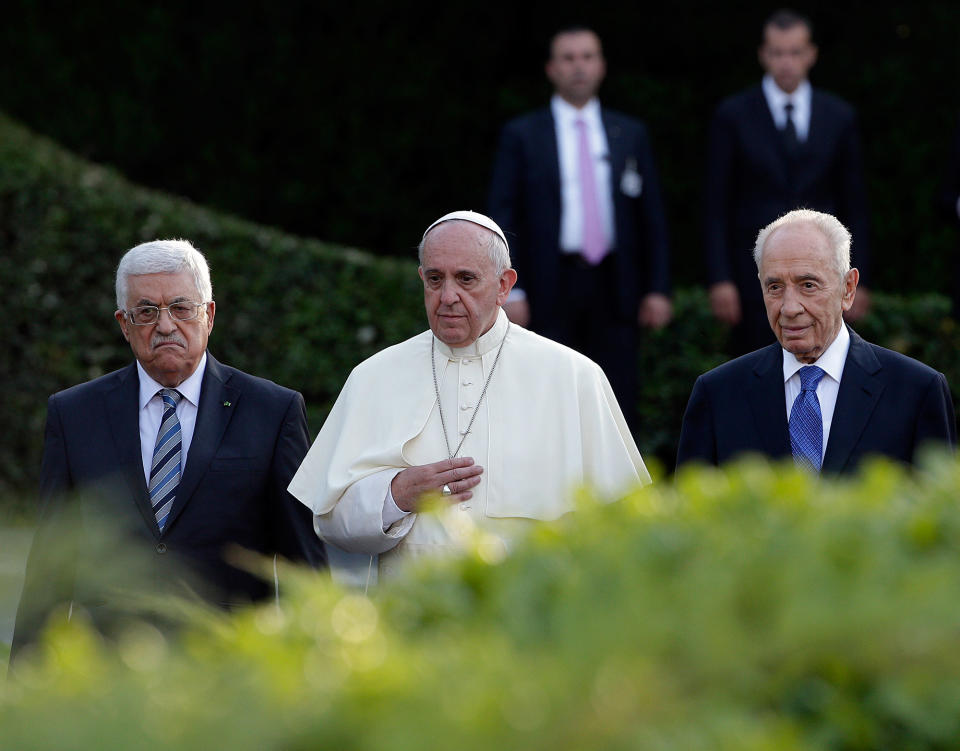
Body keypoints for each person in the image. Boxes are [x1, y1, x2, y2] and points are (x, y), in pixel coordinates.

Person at [289, 210, 649, 579]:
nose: (447, 296)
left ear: (504, 285)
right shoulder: (374, 376)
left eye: (465, 279)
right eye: (434, 279)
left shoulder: (574, 377)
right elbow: (329, 520)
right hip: (413, 617)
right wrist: (395, 496)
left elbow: (623, 523)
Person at [12, 240, 326, 658]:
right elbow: (52, 562)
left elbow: (301, 563)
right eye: (146, 312)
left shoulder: (272, 411)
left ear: (208, 315)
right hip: (107, 671)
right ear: (124, 325)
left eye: (181, 308)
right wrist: (25, 678)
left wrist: (317, 664)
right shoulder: (74, 414)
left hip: (232, 664)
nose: (164, 326)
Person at [487, 26, 671, 431]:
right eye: (568, 58)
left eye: (587, 56)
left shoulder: (629, 133)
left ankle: (623, 493)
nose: (579, 67)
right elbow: (504, 214)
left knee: (619, 394)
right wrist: (511, 288)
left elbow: (650, 216)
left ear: (601, 65)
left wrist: (657, 287)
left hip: (616, 283)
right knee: (550, 393)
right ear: (552, 69)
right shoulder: (523, 134)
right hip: (549, 283)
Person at [677, 209, 956, 472]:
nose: (789, 308)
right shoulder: (718, 395)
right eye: (774, 287)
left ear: (848, 289)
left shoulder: (916, 391)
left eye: (808, 286)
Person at [704, 8, 871, 354]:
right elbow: (716, 204)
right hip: (754, 274)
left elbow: (855, 203)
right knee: (755, 373)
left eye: (795, 52)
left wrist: (861, 276)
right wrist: (720, 278)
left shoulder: (839, 116)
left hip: (821, 274)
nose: (786, 62)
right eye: (778, 53)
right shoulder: (732, 115)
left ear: (811, 54)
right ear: (764, 55)